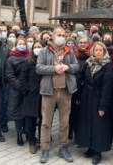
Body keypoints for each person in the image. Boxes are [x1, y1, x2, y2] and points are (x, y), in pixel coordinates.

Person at [36, 27, 79, 163]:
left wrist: (67, 67)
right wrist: (54, 69)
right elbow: (39, 68)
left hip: (65, 91)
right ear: (53, 36)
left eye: (63, 35)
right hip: (49, 91)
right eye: (58, 35)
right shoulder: (44, 51)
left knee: (64, 122)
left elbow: (76, 66)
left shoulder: (69, 51)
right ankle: (44, 148)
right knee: (46, 122)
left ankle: (63, 147)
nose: (61, 37)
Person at [75, 42, 113, 164]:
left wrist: (103, 106)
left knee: (99, 125)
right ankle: (90, 147)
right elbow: (80, 78)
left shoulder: (107, 67)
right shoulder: (88, 64)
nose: (98, 52)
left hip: (99, 97)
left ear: (104, 52)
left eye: (100, 50)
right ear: (93, 51)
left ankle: (98, 151)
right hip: (87, 96)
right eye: (96, 50)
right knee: (87, 122)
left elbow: (107, 88)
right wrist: (78, 95)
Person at [19, 40, 45, 154]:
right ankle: (32, 142)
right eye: (36, 47)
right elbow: (23, 78)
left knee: (44, 119)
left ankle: (43, 140)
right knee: (31, 120)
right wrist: (26, 90)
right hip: (31, 95)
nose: (38, 49)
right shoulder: (28, 62)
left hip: (44, 95)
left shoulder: (46, 61)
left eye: (40, 47)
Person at [6, 38, 29, 146]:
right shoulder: (11, 58)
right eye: (20, 44)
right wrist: (19, 86)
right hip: (15, 89)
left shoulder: (30, 57)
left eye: (24, 44)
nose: (22, 45)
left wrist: (27, 86)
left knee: (26, 111)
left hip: (27, 89)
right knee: (17, 112)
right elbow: (9, 75)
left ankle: (27, 131)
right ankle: (19, 133)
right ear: (15, 45)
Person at [69, 36, 90, 141]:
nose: (82, 44)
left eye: (85, 42)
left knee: (83, 114)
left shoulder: (91, 56)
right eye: (80, 42)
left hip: (86, 88)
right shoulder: (73, 56)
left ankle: (79, 134)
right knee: (73, 112)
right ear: (77, 44)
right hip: (74, 87)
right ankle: (70, 131)